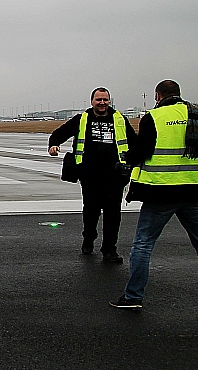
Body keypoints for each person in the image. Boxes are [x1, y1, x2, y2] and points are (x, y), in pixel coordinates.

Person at [110, 80, 198, 309]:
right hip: (194, 190)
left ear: (158, 96)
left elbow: (142, 151)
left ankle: (133, 297)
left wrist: (126, 160)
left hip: (161, 192)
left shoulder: (154, 117)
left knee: (143, 244)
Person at [49, 87, 138, 262]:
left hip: (114, 175)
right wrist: (54, 144)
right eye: (99, 100)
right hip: (89, 175)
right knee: (91, 211)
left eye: (105, 100)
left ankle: (109, 249)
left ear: (109, 101)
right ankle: (89, 238)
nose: (102, 103)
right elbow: (59, 133)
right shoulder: (81, 119)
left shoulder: (119, 119)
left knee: (113, 214)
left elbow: (134, 142)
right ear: (92, 102)